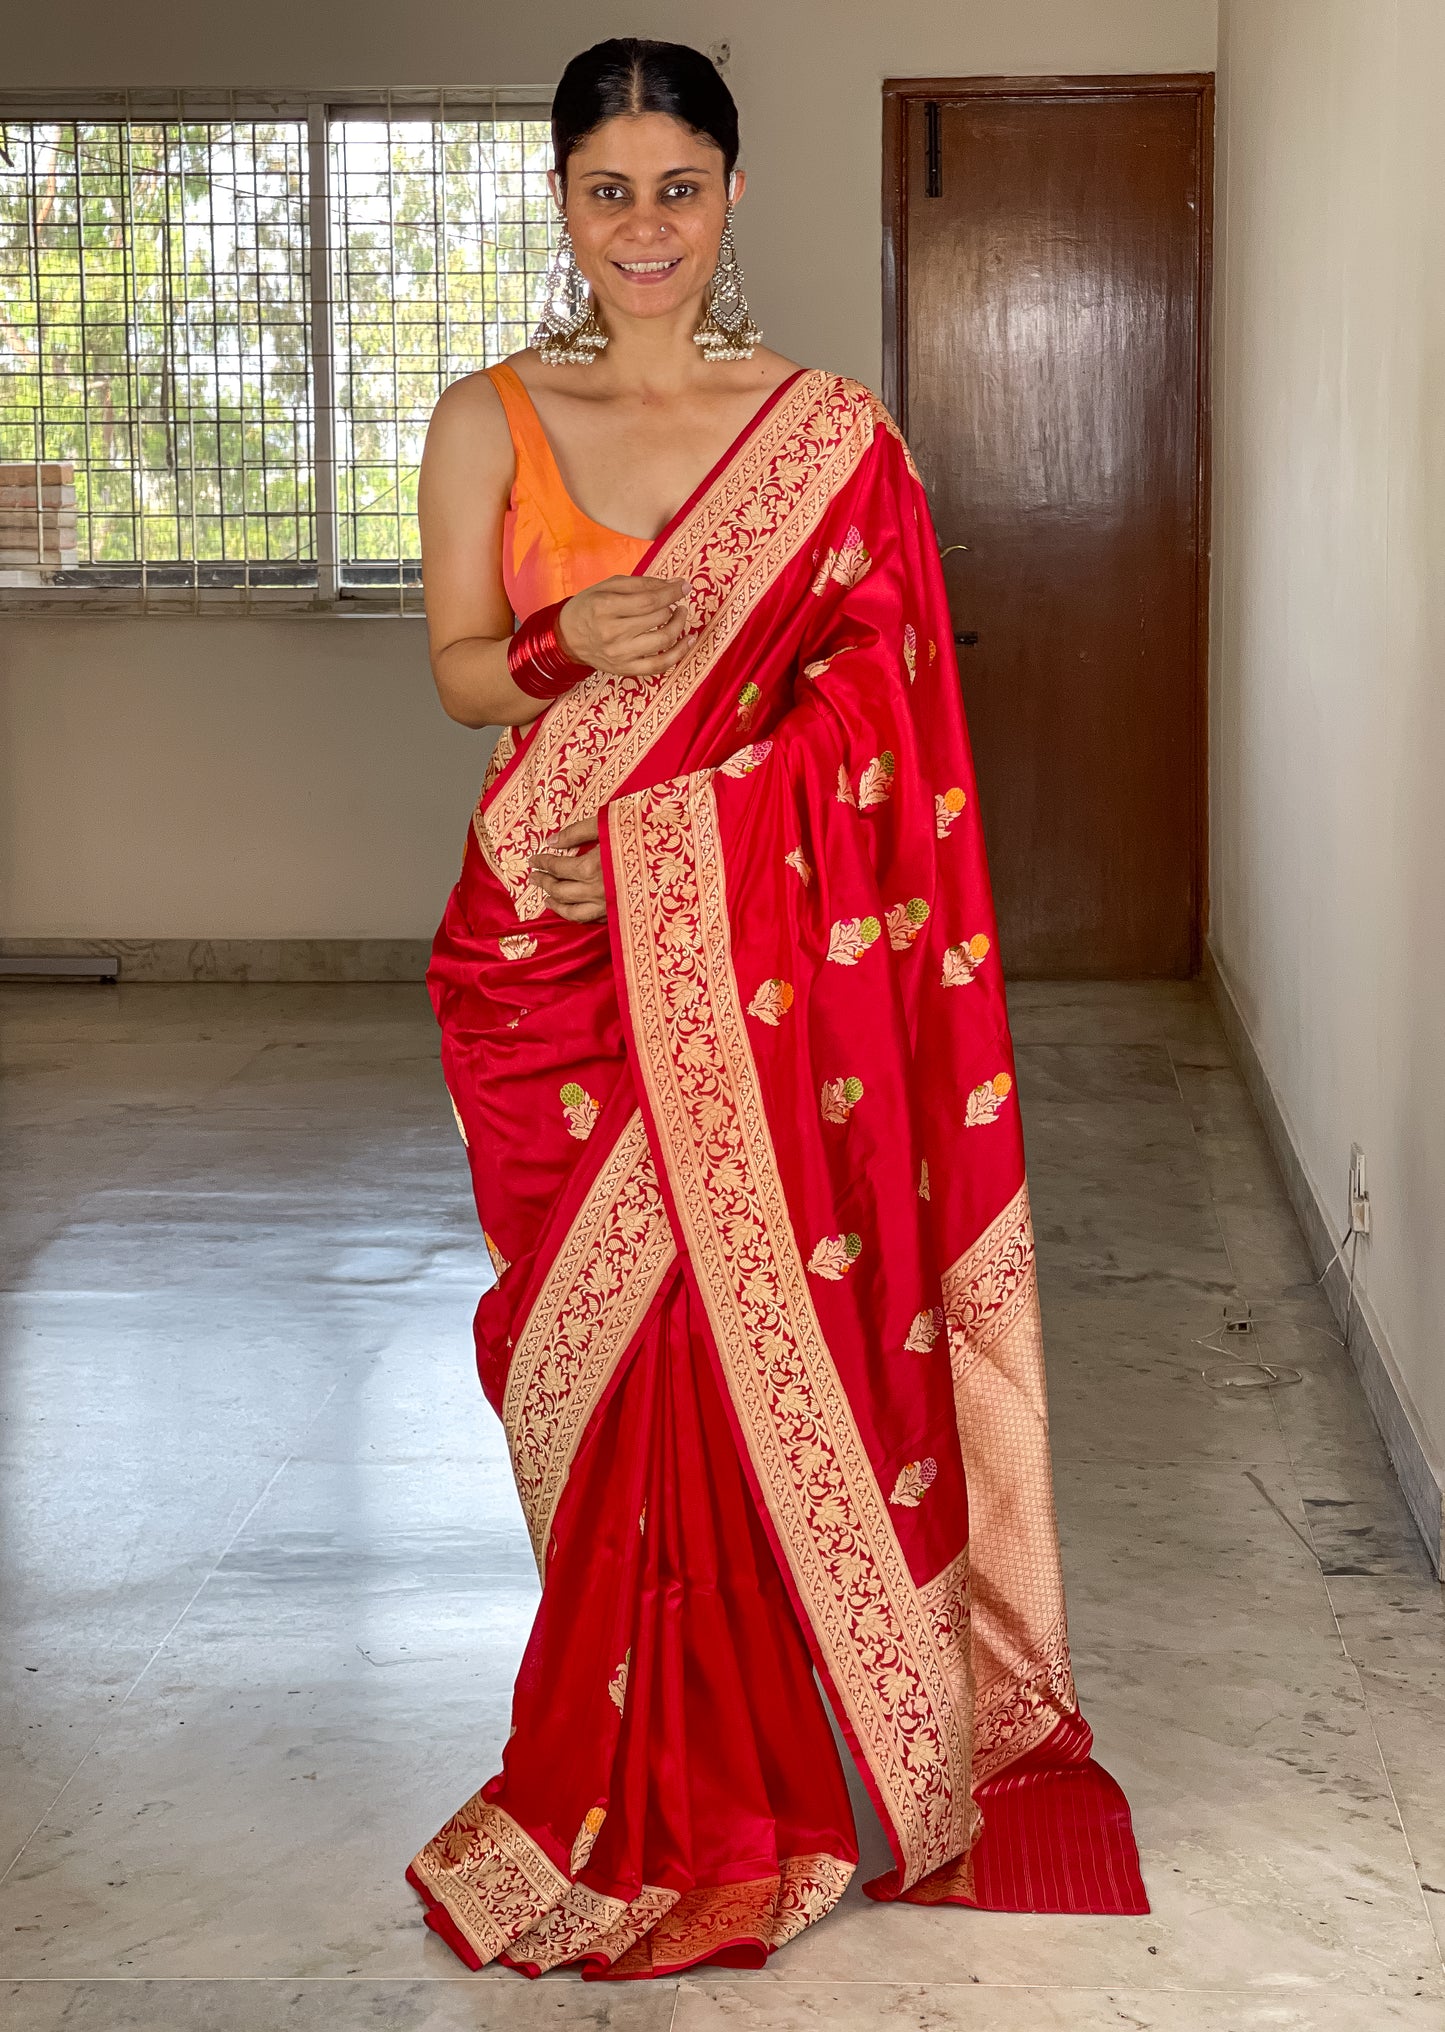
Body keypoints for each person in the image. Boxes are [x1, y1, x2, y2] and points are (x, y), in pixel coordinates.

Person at [408, 36, 1145, 1981]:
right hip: (544, 956)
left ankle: (772, 1764)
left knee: (745, 1354)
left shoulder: (829, 439)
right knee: (600, 1382)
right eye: (606, 189)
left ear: (732, 194)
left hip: (740, 968)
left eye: (676, 186)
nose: (642, 225)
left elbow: (890, 714)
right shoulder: (489, 415)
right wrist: (571, 642)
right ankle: (616, 1762)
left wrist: (704, 824)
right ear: (560, 205)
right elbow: (467, 673)